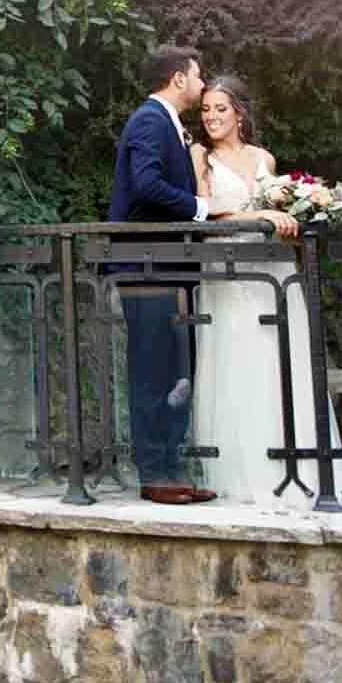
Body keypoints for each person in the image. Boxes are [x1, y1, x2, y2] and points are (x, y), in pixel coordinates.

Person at [188, 76, 342, 502]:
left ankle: (302, 469)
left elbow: (280, 220)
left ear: (240, 112)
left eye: (220, 109)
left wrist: (296, 218)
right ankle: (245, 475)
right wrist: (259, 215)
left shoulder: (265, 160)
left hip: (272, 271)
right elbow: (207, 217)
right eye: (205, 110)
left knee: (284, 362)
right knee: (240, 362)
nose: (211, 117)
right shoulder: (199, 155)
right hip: (228, 273)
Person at [107, 45, 223, 504]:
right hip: (147, 268)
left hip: (168, 269)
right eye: (197, 76)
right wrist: (202, 209)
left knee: (177, 370)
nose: (201, 83)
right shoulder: (149, 121)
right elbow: (146, 184)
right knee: (153, 371)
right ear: (178, 78)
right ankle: (154, 473)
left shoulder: (167, 125)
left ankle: (173, 470)